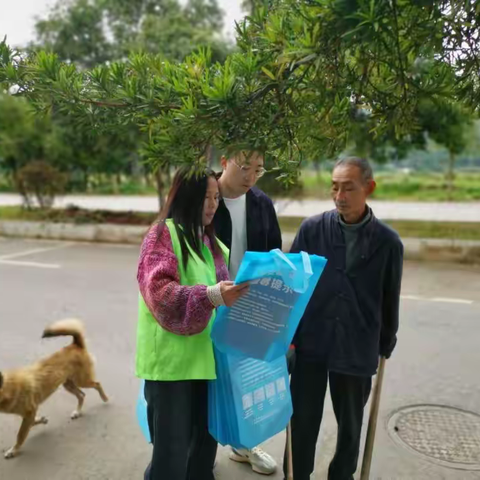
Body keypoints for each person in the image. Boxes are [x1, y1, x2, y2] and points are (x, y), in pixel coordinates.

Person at [285, 157, 403, 480]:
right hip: (311, 345)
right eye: (335, 187)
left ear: (369, 188)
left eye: (349, 188)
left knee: (350, 427)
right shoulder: (312, 230)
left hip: (356, 348)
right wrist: (287, 340)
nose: (340, 196)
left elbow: (389, 300)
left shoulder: (388, 243)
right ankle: (296, 475)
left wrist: (385, 344)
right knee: (302, 422)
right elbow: (292, 288)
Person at [136, 167, 249, 480]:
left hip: (207, 366)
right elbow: (159, 294)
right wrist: (211, 295)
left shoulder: (214, 246)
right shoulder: (163, 235)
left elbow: (226, 303)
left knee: (201, 456)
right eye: (205, 198)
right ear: (187, 197)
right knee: (170, 461)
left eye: (216, 197)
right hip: (172, 370)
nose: (213, 205)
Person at [213, 149, 282, 475]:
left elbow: (274, 255)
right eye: (245, 167)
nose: (251, 177)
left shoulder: (261, 203)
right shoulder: (204, 197)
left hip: (249, 307)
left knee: (245, 381)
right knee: (207, 382)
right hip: (210, 302)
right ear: (225, 160)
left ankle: (244, 445)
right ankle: (199, 451)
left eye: (258, 169)